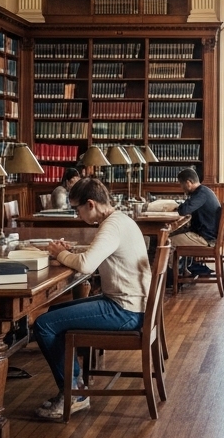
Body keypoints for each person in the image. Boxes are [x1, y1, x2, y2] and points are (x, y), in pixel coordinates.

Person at [33, 178, 151, 420]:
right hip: (131, 305)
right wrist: (69, 252)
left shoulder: (111, 226)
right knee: (51, 316)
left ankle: (75, 394)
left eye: (77, 209)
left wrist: (61, 253)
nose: (77, 216)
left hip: (124, 311)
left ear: (90, 204)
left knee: (44, 325)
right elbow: (95, 255)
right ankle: (75, 387)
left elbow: (86, 266)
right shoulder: (119, 220)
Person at [172, 167, 222, 276]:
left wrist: (180, 206)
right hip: (208, 234)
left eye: (181, 184)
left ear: (188, 183)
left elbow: (184, 210)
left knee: (167, 242)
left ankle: (171, 276)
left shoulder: (201, 194)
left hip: (206, 238)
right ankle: (184, 270)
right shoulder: (203, 191)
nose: (181, 187)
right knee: (173, 234)